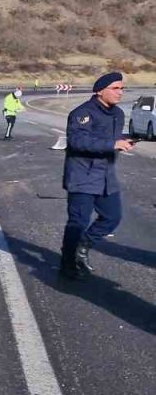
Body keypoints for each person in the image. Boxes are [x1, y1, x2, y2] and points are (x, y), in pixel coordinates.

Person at [59, 72, 133, 280]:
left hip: (106, 177)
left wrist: (125, 140)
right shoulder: (82, 113)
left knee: (112, 217)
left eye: (122, 88)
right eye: (115, 88)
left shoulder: (117, 114)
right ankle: (67, 264)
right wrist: (112, 144)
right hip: (82, 176)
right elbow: (77, 141)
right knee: (78, 222)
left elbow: (113, 138)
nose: (120, 92)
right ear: (100, 91)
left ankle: (83, 247)